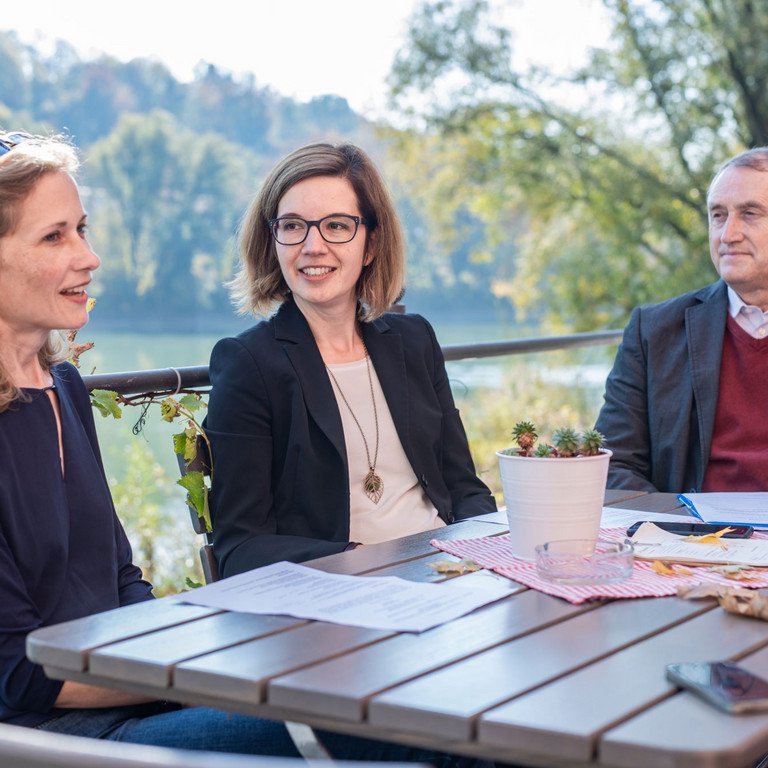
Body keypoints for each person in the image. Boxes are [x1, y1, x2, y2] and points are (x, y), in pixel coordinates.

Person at [0, 131, 489, 768]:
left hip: (151, 694)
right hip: (63, 738)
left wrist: (198, 654)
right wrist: (216, 666)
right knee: (439, 727)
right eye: (55, 236)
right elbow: (17, 675)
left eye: (82, 229)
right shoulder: (252, 361)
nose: (90, 257)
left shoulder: (62, 386)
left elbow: (123, 582)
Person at [206, 142, 496, 577]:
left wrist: (488, 559)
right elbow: (241, 546)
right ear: (273, 240)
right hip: (345, 596)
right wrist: (357, 558)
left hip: (451, 574)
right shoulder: (249, 364)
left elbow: (465, 489)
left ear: (371, 245)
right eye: (293, 226)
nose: (312, 246)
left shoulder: (414, 341)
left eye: (336, 226)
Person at [595, 146, 768, 493]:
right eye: (718, 215)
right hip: (691, 539)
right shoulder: (654, 331)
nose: (728, 234)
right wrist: (679, 528)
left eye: (749, 213)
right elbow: (613, 463)